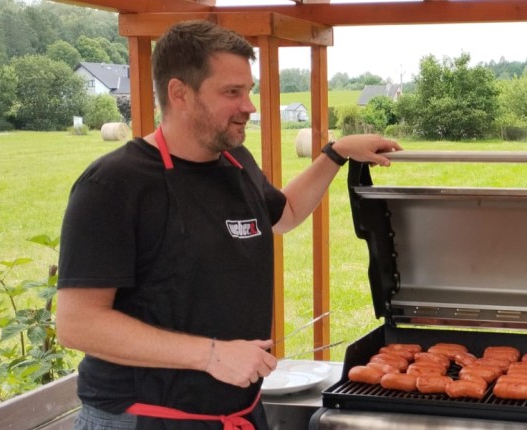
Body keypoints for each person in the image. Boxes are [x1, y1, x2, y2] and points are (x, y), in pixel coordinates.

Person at [55, 20, 401, 430]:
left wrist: (335, 154)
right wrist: (211, 354)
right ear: (179, 93)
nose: (250, 106)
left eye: (248, 91)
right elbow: (78, 323)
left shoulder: (236, 164)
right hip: (144, 418)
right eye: (232, 92)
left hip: (235, 414)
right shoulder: (115, 185)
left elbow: (285, 213)